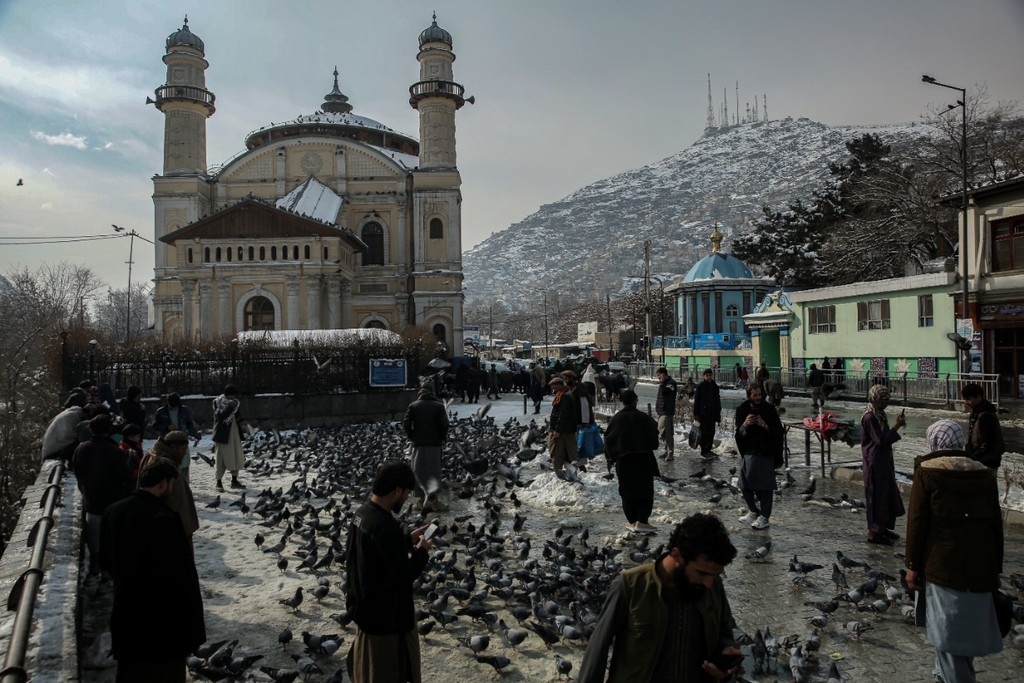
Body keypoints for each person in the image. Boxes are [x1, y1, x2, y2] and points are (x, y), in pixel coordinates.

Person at [578, 513, 741, 683]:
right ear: (677, 556)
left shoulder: (713, 586)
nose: (709, 583)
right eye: (702, 573)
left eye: (715, 575)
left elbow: (724, 630)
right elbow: (597, 653)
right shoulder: (631, 586)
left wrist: (726, 653)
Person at [905, 419, 1003, 683]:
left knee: (948, 635)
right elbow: (996, 524)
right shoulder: (983, 472)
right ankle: (942, 675)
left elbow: (916, 522)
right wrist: (996, 567)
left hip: (942, 566)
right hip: (979, 568)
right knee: (964, 631)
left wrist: (912, 564)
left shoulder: (927, 472)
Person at [100, 457, 206, 683]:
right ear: (163, 484)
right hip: (161, 628)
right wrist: (193, 630)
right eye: (171, 485)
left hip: (126, 620)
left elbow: (105, 563)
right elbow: (179, 579)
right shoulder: (165, 519)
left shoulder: (113, 511)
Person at [345, 461, 433, 683]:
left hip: (366, 614)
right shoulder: (385, 526)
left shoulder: (362, 514)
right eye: (406, 493)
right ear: (396, 490)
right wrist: (422, 552)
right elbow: (404, 576)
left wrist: (406, 540)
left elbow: (375, 555)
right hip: (387, 624)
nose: (406, 499)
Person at [73, 414, 131, 578]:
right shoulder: (115, 451)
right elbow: (124, 476)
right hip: (114, 504)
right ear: (109, 430)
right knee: (114, 543)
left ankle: (94, 574)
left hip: (92, 502)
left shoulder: (82, 449)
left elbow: (78, 472)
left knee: (95, 545)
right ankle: (109, 575)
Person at [604, 390, 660, 533]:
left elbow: (609, 439)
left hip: (623, 462)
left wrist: (611, 458)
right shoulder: (643, 417)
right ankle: (642, 521)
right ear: (635, 401)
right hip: (643, 460)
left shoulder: (616, 419)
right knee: (645, 491)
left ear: (623, 402)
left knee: (627, 492)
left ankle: (632, 521)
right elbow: (655, 436)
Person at [860, 384, 906, 545]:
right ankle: (874, 533)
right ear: (876, 399)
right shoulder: (870, 417)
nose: (887, 402)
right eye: (884, 399)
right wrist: (897, 426)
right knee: (876, 497)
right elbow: (880, 440)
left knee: (886, 495)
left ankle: (883, 527)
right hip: (874, 462)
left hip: (883, 460)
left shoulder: (879, 414)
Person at [734, 384, 784, 530]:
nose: (758, 398)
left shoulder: (768, 409)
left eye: (760, 395)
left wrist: (765, 425)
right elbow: (739, 433)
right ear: (748, 396)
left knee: (765, 487)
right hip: (749, 452)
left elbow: (778, 431)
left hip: (765, 452)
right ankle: (754, 511)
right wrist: (745, 425)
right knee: (743, 485)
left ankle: (765, 517)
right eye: (755, 395)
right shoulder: (742, 409)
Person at [139, 431, 200, 544]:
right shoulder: (162, 465)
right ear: (174, 448)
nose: (185, 454)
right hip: (169, 529)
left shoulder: (156, 456)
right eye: (183, 449)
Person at [403, 381, 450, 513]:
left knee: (418, 470)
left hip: (418, 445)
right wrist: (442, 438)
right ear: (432, 392)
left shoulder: (413, 405)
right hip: (434, 445)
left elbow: (406, 424)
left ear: (420, 391)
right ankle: (434, 501)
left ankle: (419, 500)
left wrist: (412, 437)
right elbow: (445, 424)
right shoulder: (438, 406)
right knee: (433, 471)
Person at [154, 393, 199, 481]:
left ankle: (185, 484)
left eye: (174, 406)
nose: (172, 408)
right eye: (171, 406)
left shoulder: (184, 410)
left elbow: (189, 423)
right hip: (167, 442)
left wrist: (194, 433)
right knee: (170, 464)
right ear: (167, 402)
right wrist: (166, 427)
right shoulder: (161, 411)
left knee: (184, 463)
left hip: (181, 440)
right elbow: (155, 426)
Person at [212, 385, 247, 492]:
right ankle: (218, 482)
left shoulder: (235, 402)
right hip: (222, 434)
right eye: (231, 395)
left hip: (234, 432)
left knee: (236, 455)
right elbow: (220, 417)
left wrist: (241, 421)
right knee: (221, 458)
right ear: (227, 394)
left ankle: (234, 481)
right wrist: (230, 407)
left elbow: (237, 415)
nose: (233, 397)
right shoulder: (218, 402)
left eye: (234, 395)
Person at [961, 383, 1004, 469]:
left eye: (969, 399)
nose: (966, 402)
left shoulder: (986, 415)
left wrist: (974, 456)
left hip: (987, 461)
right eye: (965, 399)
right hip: (980, 459)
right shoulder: (976, 411)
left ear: (978, 397)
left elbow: (987, 442)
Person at [41, 391, 88, 462]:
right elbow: (67, 434)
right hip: (54, 451)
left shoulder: (70, 413)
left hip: (52, 448)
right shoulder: (73, 415)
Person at [547, 375, 579, 478]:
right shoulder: (563, 394)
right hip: (567, 428)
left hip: (563, 430)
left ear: (559, 385)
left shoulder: (564, 396)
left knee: (558, 450)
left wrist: (557, 429)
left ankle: (562, 470)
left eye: (554, 387)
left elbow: (563, 414)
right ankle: (572, 469)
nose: (553, 389)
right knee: (569, 449)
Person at [693, 369, 722, 458]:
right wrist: (696, 414)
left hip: (712, 414)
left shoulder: (714, 386)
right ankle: (704, 450)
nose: (709, 377)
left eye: (710, 375)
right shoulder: (700, 386)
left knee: (711, 432)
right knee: (704, 433)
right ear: (704, 376)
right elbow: (696, 401)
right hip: (703, 414)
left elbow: (717, 400)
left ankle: (709, 450)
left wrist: (718, 413)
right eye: (707, 375)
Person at [654, 367, 679, 461]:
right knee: (663, 432)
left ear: (663, 374)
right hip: (661, 411)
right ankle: (666, 450)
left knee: (667, 432)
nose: (658, 378)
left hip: (667, 411)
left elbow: (665, 392)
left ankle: (670, 452)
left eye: (659, 376)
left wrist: (662, 382)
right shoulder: (663, 384)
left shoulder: (671, 383)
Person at [119, 423, 145, 487]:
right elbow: (128, 471)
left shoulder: (137, 445)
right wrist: (141, 473)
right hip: (132, 482)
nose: (139, 439)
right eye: (137, 437)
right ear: (130, 437)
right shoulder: (123, 450)